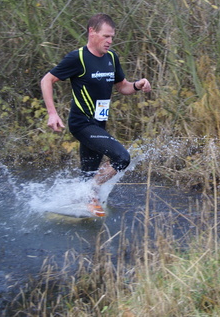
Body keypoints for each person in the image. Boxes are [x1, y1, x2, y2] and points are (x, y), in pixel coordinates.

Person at [40, 14, 152, 217]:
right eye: (106, 36)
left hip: (99, 125)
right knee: (122, 158)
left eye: (112, 37)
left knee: (88, 173)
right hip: (82, 124)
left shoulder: (111, 58)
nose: (109, 41)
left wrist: (137, 85)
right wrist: (52, 113)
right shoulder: (78, 58)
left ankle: (72, 205)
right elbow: (47, 80)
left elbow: (122, 87)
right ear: (92, 32)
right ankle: (90, 193)